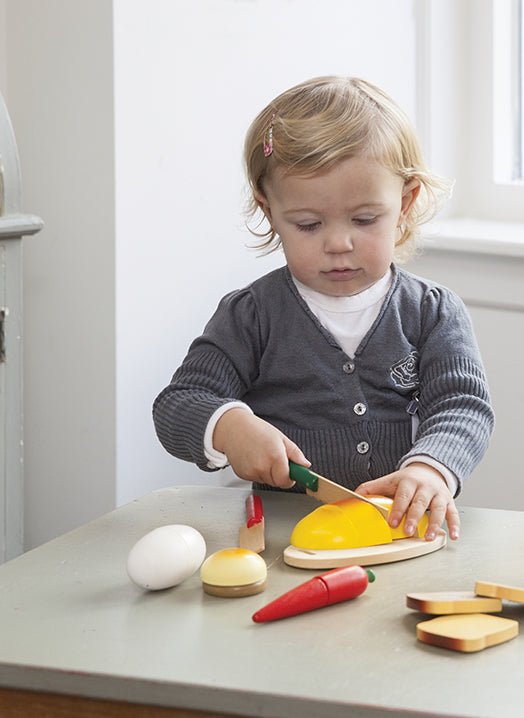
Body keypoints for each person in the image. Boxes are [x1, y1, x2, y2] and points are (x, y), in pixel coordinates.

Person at [153, 76, 494, 542]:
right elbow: (178, 404)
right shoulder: (251, 315)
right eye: (309, 224)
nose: (338, 243)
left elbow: (463, 406)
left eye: (364, 219)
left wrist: (432, 468)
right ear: (269, 211)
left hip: (403, 534)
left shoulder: (433, 312)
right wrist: (231, 428)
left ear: (406, 202)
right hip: (284, 541)